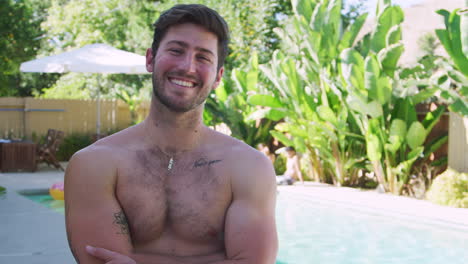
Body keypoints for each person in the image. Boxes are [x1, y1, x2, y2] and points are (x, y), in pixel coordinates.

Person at [64, 4, 278, 264]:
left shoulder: (248, 166)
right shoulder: (95, 164)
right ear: (150, 59)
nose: (187, 67)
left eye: (203, 58)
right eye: (176, 51)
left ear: (218, 76)